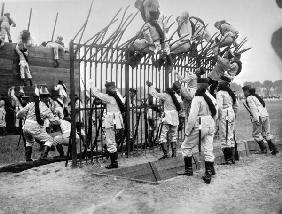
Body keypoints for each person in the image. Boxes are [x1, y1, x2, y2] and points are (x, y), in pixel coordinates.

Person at [177, 78, 217, 184]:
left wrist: (187, 131)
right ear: (207, 86)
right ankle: (209, 171)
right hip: (211, 122)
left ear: (198, 85)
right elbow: (217, 112)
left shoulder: (197, 98)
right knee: (208, 148)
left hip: (200, 123)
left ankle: (188, 170)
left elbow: (192, 117)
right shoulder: (211, 96)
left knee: (185, 146)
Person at [87, 80, 125, 169]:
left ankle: (114, 163)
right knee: (113, 140)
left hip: (111, 121)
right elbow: (115, 101)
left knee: (110, 142)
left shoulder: (109, 97)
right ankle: (114, 161)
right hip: (118, 121)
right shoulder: (118, 95)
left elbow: (97, 93)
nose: (106, 90)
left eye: (107, 88)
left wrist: (92, 84)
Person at [16, 87, 61, 161]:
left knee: (29, 141)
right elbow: (54, 121)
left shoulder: (31, 104)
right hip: (35, 127)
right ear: (46, 99)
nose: (48, 100)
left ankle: (28, 159)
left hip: (26, 126)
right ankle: (43, 157)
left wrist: (19, 116)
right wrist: (59, 121)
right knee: (50, 140)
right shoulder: (46, 109)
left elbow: (20, 114)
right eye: (47, 99)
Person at [146, 80, 182, 159]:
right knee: (173, 136)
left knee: (162, 136)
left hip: (167, 118)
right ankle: (174, 154)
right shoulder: (178, 96)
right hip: (175, 118)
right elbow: (180, 108)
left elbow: (154, 94)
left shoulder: (166, 95)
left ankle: (166, 154)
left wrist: (151, 86)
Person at [242, 85, 279, 155]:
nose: (244, 94)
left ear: (247, 91)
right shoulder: (256, 96)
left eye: (244, 92)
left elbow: (254, 109)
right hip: (265, 115)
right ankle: (273, 149)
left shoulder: (249, 98)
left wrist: (256, 120)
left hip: (258, 117)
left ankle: (263, 149)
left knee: (256, 134)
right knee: (266, 133)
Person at [216, 79, 239, 164]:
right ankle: (233, 157)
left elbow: (219, 107)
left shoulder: (220, 93)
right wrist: (233, 115)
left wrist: (218, 117)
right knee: (230, 135)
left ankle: (228, 159)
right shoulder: (231, 93)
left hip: (225, 113)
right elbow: (237, 106)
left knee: (225, 137)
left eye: (219, 82)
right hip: (231, 113)